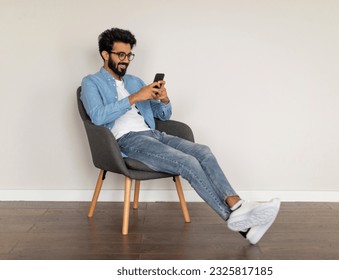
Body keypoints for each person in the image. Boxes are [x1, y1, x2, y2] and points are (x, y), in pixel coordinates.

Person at [80, 27, 280, 245]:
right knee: (187, 162)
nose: (126, 60)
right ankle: (235, 218)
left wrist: (163, 99)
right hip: (128, 141)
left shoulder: (135, 81)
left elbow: (162, 115)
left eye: (129, 55)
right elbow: (97, 117)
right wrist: (135, 97)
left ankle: (238, 207)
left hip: (153, 134)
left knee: (203, 152)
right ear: (105, 54)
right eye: (121, 55)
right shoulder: (91, 82)